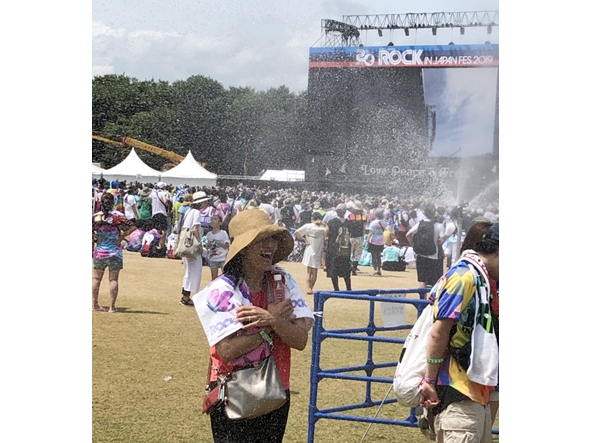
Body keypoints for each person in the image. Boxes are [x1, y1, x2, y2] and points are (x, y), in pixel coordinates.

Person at [193, 209, 314, 443]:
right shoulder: (221, 291)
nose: (270, 245)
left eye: (273, 239)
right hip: (232, 392)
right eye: (262, 239)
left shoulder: (283, 282)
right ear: (244, 248)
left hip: (276, 390)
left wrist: (273, 319)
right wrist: (270, 323)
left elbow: (300, 340)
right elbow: (226, 351)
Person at [420, 223, 499, 443]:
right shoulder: (464, 276)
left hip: (475, 393)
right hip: (457, 393)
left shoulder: (483, 279)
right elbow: (439, 332)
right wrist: (429, 380)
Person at [92, 192, 135, 312]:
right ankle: (112, 306)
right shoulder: (118, 216)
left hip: (100, 251)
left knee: (96, 279)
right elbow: (132, 227)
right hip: (115, 252)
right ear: (113, 203)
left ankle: (95, 304)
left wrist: (95, 238)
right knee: (113, 279)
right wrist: (121, 237)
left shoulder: (96, 216)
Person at [175, 191, 210, 307]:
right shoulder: (196, 213)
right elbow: (195, 229)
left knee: (188, 272)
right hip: (192, 247)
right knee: (194, 272)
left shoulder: (189, 211)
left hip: (186, 245)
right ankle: (186, 297)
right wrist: (200, 245)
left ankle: (185, 295)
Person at [405, 205, 445, 288]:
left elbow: (408, 235)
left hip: (421, 255)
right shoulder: (439, 225)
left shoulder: (420, 223)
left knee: (422, 280)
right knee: (435, 282)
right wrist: (439, 242)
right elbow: (442, 240)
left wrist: (413, 246)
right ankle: (433, 300)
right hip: (434, 255)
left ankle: (422, 299)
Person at [294, 211, 327, 294]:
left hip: (309, 249)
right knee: (314, 272)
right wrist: (324, 223)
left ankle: (308, 288)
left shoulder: (307, 226)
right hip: (317, 251)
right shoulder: (321, 229)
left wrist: (305, 239)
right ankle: (311, 288)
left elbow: (296, 232)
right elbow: (327, 231)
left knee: (309, 271)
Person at [324, 203, 352, 291]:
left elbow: (326, 233)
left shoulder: (332, 222)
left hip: (334, 248)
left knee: (333, 269)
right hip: (345, 249)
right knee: (346, 268)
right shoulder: (348, 223)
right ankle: (348, 288)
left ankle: (336, 288)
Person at [205, 215, 230, 280]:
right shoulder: (209, 234)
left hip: (222, 257)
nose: (212, 221)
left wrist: (217, 243)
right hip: (213, 258)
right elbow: (208, 247)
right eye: (212, 219)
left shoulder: (223, 233)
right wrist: (209, 245)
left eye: (215, 219)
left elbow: (227, 246)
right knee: (214, 277)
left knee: (225, 276)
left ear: (220, 223)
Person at [347, 200, 367, 275]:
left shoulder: (350, 216)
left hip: (351, 236)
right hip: (359, 237)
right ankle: (354, 268)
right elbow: (364, 228)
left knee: (349, 253)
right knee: (357, 254)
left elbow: (347, 226)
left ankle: (349, 266)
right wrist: (363, 236)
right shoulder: (363, 217)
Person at [366, 208, 387, 276]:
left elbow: (370, 233)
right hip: (381, 241)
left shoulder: (373, 223)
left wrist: (367, 241)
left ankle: (375, 269)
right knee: (378, 256)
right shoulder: (384, 223)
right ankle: (379, 269)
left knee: (373, 256)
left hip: (373, 241)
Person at [150, 182, 170, 250]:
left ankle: (156, 243)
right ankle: (162, 244)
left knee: (156, 229)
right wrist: (168, 205)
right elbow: (165, 201)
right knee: (164, 229)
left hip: (154, 213)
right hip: (162, 213)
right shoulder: (164, 193)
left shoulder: (153, 193)